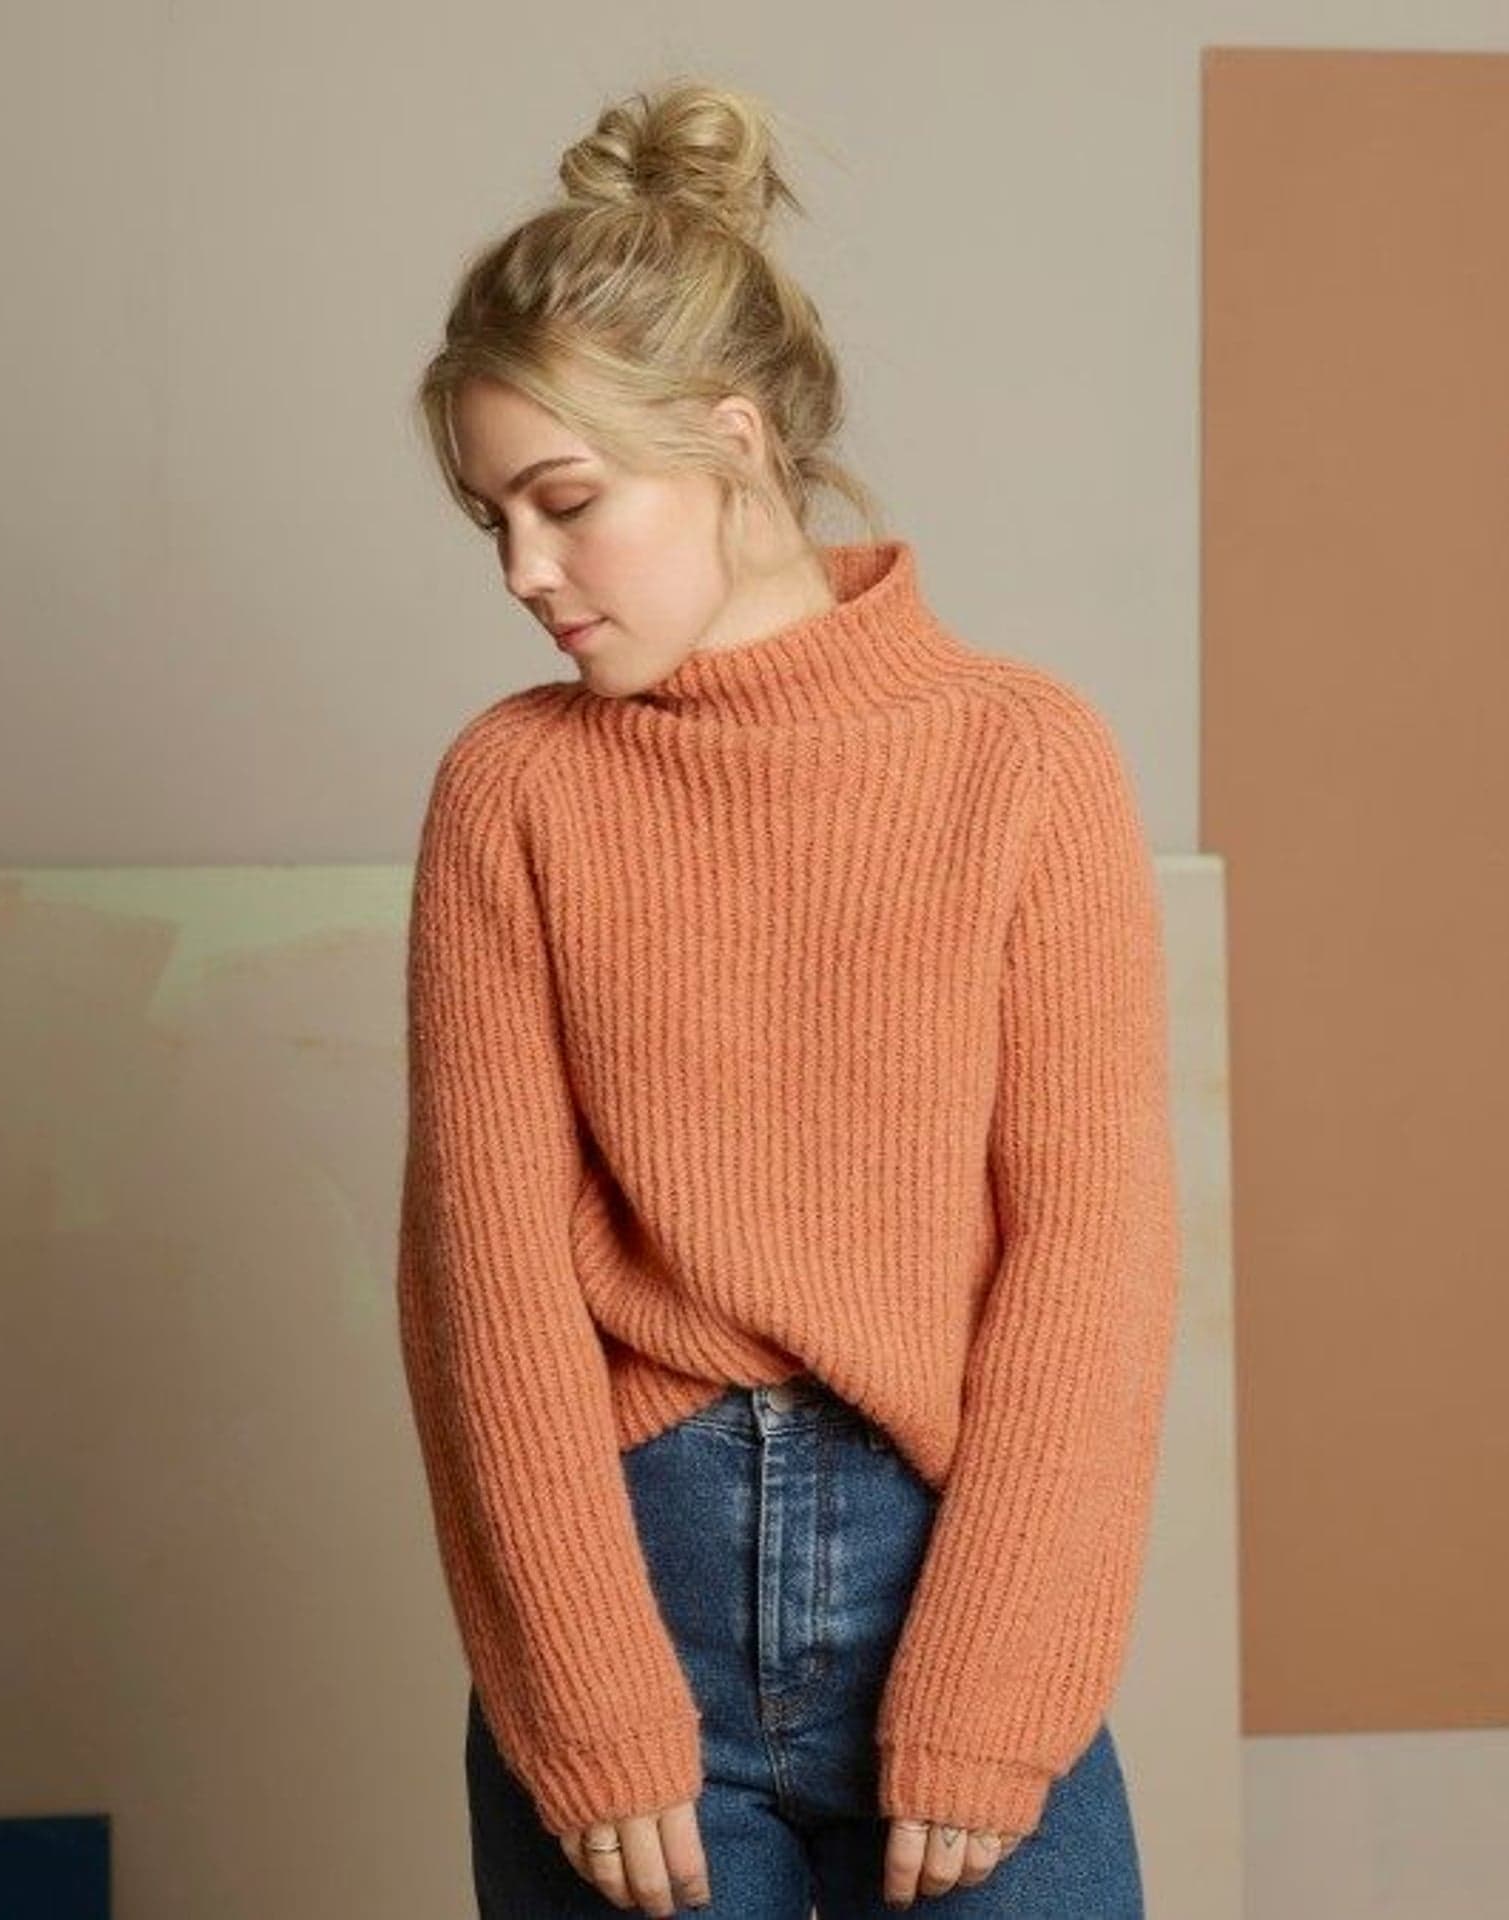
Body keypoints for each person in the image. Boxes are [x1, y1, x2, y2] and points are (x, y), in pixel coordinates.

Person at [394, 75, 1180, 1919]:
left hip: (963, 1577)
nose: (524, 573)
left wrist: (999, 1683)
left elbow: (1092, 1253)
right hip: (625, 1601)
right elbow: (483, 1279)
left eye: (566, 503)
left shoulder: (1023, 758)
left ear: (732, 441)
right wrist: (585, 1700)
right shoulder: (514, 788)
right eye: (493, 521)